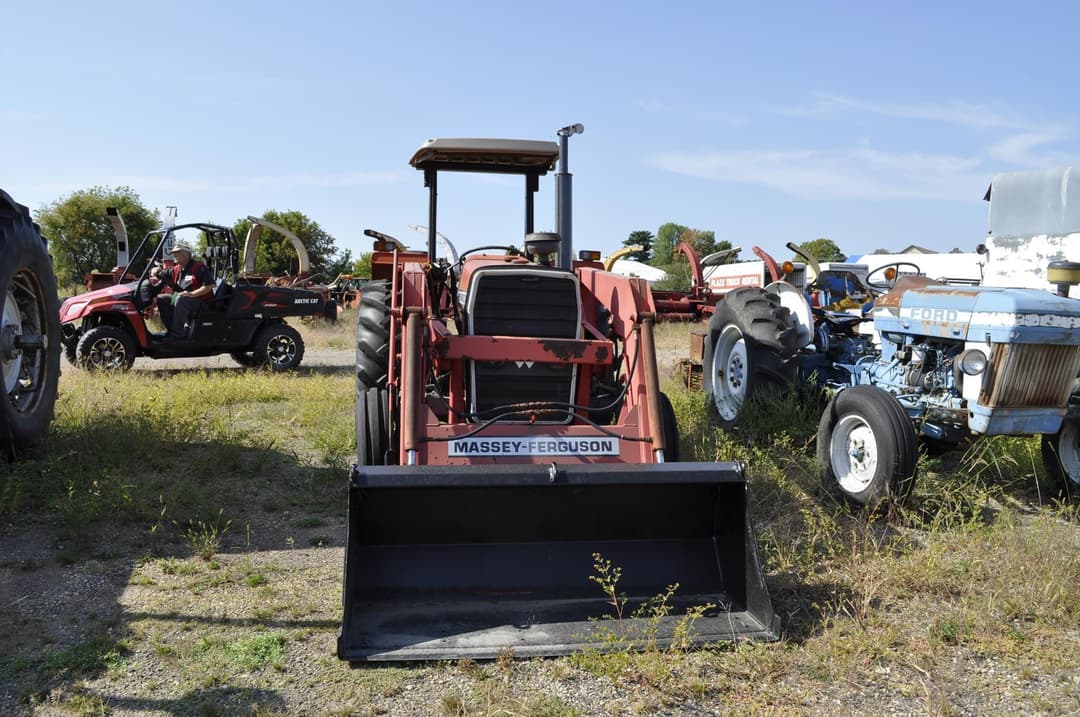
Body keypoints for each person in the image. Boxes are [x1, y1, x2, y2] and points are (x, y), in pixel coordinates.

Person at [155, 242, 214, 339]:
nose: (175, 256)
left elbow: (209, 285)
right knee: (161, 299)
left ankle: (177, 335)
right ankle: (172, 330)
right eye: (174, 254)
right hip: (183, 299)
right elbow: (163, 274)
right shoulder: (176, 269)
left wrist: (192, 294)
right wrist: (156, 270)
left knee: (181, 299)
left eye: (177, 253)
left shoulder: (199, 267)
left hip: (201, 302)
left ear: (186, 254)